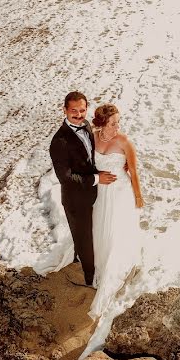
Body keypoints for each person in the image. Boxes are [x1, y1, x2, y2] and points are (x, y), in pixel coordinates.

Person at [49, 91, 116, 286]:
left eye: (82, 110)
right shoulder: (59, 142)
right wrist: (96, 178)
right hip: (75, 199)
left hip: (95, 193)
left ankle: (80, 258)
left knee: (90, 234)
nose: (79, 115)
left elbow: (91, 156)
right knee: (85, 239)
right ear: (64, 110)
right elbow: (66, 178)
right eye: (74, 111)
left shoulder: (86, 125)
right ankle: (89, 279)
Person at [88, 103, 144, 318]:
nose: (117, 126)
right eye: (112, 123)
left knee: (115, 233)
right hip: (101, 193)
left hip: (120, 192)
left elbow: (133, 172)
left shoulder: (124, 141)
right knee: (100, 231)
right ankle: (100, 267)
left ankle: (115, 272)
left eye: (118, 122)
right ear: (101, 124)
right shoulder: (92, 136)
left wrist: (138, 196)